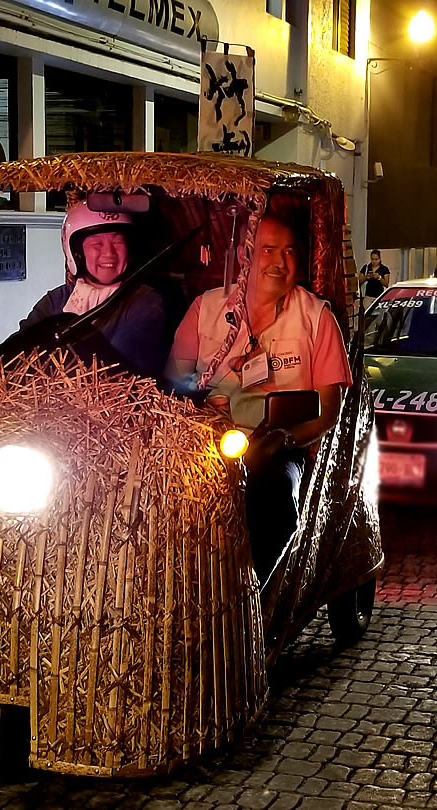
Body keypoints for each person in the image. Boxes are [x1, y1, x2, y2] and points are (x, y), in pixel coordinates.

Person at [165, 214, 353, 581]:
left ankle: (258, 600)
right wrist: (202, 403)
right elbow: (173, 382)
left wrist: (283, 439)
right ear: (243, 255)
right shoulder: (207, 309)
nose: (280, 263)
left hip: (280, 446)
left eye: (289, 252)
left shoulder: (316, 317)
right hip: (206, 442)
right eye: (268, 250)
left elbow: (328, 411)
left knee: (274, 495)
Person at [19, 202, 168, 377]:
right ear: (77, 253)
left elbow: (121, 367)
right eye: (97, 244)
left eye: (118, 242)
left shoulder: (144, 301)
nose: (109, 253)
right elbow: (20, 350)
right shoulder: (57, 299)